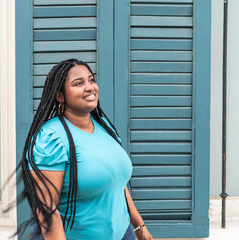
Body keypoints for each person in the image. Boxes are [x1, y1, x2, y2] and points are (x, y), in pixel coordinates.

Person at [18, 59, 153, 240]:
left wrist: (139, 226)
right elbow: (47, 210)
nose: (89, 87)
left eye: (91, 80)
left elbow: (117, 183)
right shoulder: (51, 138)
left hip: (122, 234)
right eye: (78, 83)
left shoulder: (105, 127)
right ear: (60, 96)